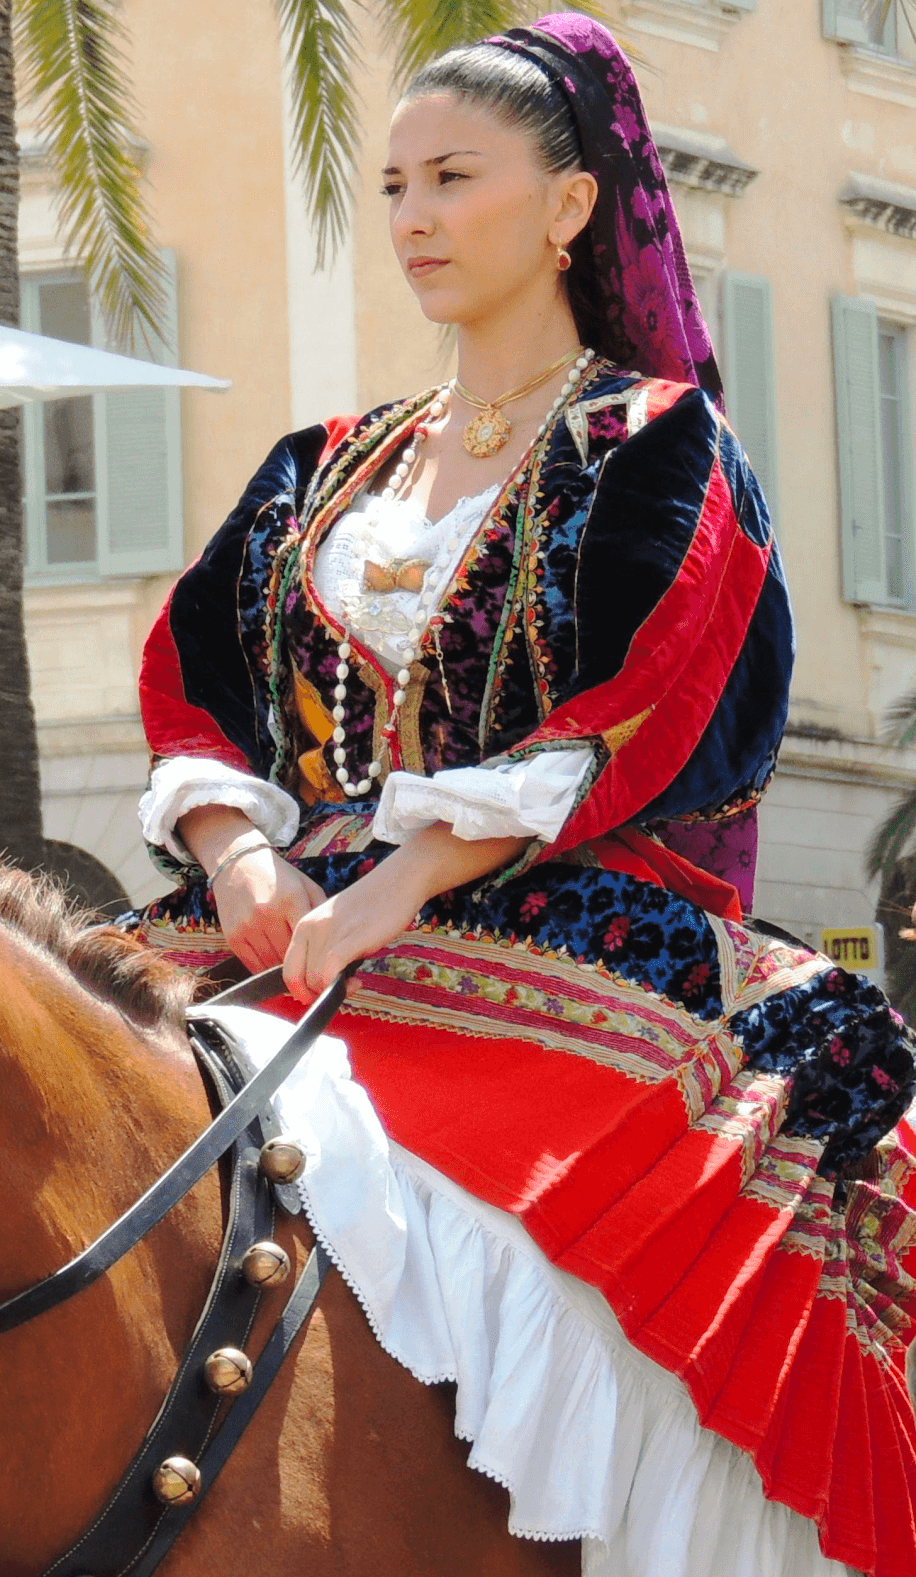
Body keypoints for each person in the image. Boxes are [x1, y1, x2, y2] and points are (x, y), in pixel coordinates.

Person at [134, 14, 916, 1572]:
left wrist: (391, 889)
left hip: (573, 918)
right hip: (282, 921)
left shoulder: (659, 447)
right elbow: (195, 674)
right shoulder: (320, 466)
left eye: (455, 179)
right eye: (397, 182)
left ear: (568, 207)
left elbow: (641, 702)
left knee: (615, 1233)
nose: (413, 216)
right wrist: (235, 859)